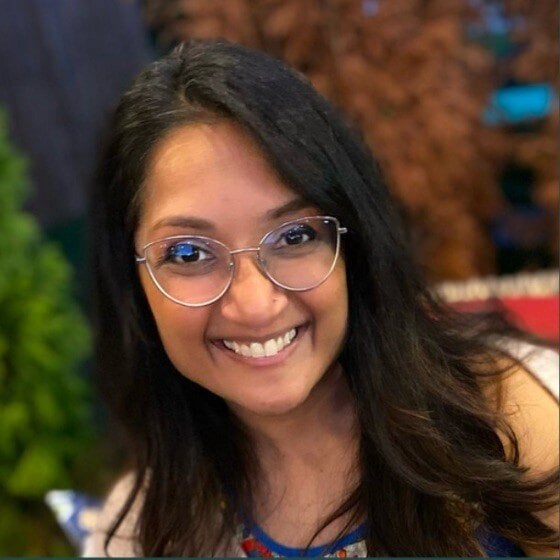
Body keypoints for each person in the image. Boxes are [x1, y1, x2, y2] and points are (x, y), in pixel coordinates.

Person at [85, 39, 559, 557]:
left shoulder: (508, 416)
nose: (255, 304)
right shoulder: (142, 531)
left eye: (294, 236)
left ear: (353, 242)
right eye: (188, 252)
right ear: (131, 281)